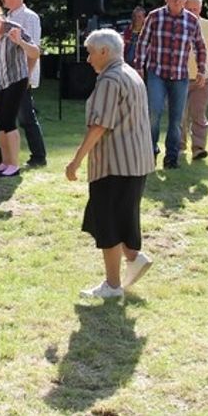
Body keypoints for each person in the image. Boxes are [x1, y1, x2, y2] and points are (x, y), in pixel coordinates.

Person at [65, 28, 155, 299]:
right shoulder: (131, 74)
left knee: (109, 223)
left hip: (114, 164)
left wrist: (76, 161)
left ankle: (113, 285)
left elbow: (99, 125)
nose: (88, 59)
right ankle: (134, 258)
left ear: (104, 51)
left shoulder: (109, 79)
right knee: (121, 218)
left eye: (91, 52)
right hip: (137, 161)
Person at [132, 0, 208, 169]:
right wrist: (139, 66)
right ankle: (150, 151)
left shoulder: (191, 20)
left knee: (176, 119)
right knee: (154, 113)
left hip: (180, 75)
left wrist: (201, 69)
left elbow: (200, 46)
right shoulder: (155, 17)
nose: (176, 2)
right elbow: (143, 42)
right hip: (157, 72)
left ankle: (171, 157)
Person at [0, 1, 40, 177]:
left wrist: (20, 42)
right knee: (0, 122)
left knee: (9, 121)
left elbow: (35, 52)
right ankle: (5, 161)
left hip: (16, 80)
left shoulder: (14, 29)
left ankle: (14, 164)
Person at [0, 0, 47, 167]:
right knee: (5, 116)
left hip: (21, 76)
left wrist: (28, 77)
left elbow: (34, 49)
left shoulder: (30, 17)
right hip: (5, 77)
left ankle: (38, 156)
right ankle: (3, 156)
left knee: (25, 117)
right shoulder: (6, 16)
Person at [181, 0, 208, 161]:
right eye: (189, 9)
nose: (193, 12)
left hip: (202, 78)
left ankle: (198, 148)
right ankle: (179, 147)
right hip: (179, 77)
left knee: (198, 113)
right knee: (180, 115)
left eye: (196, 9)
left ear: (201, 8)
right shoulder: (177, 23)